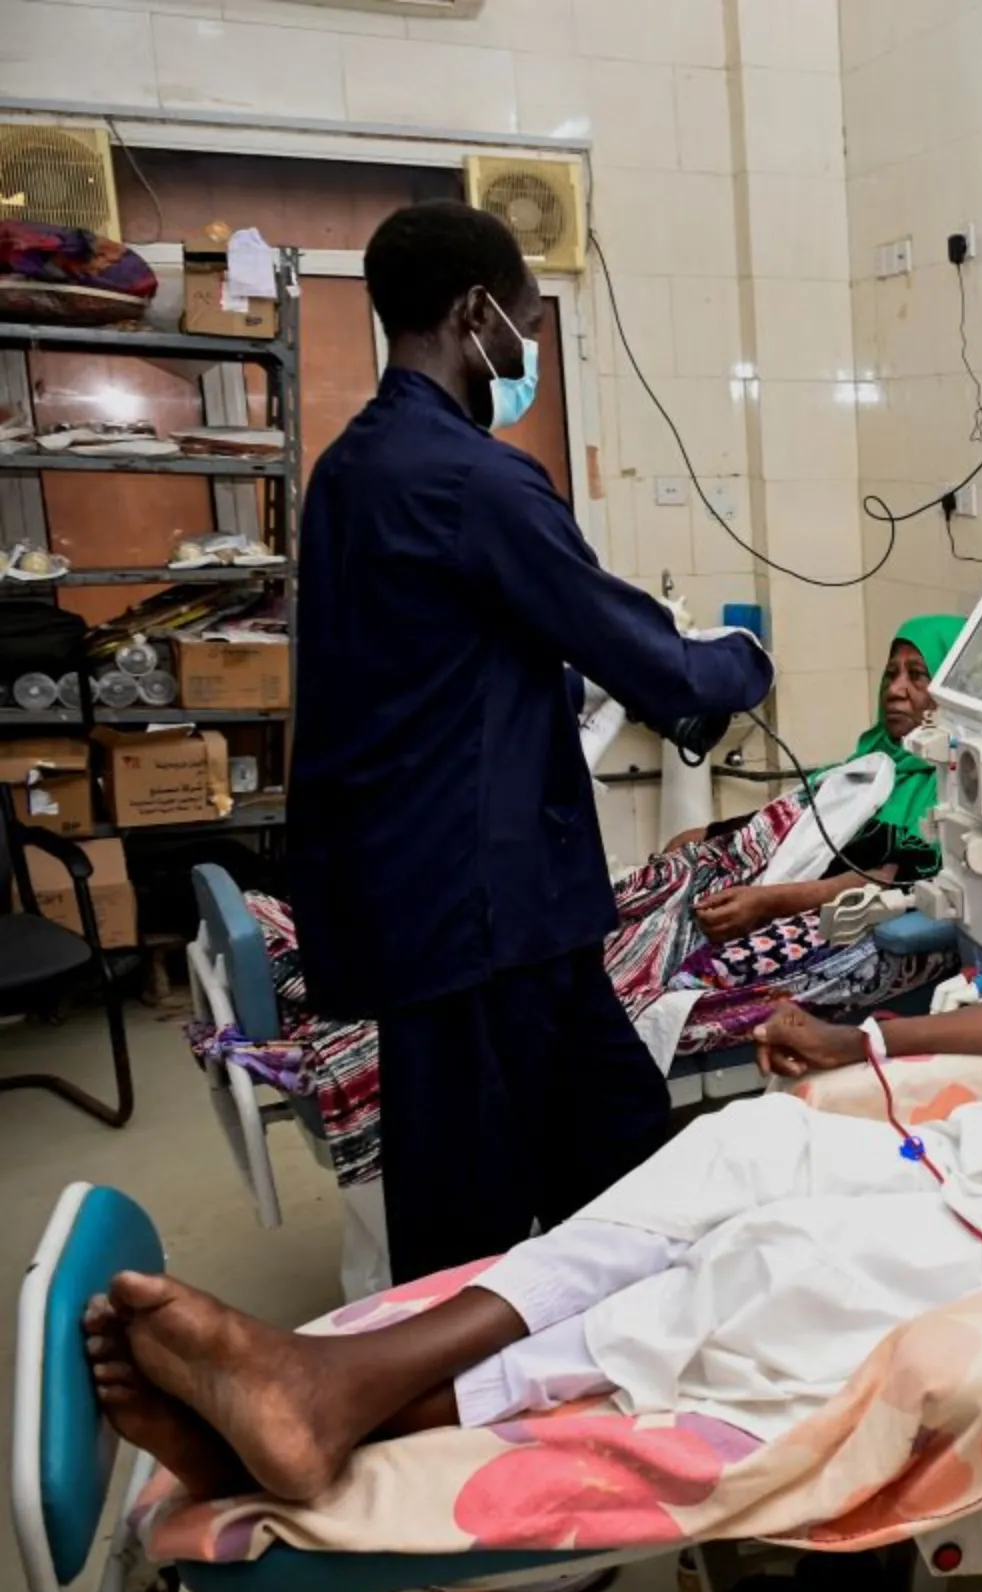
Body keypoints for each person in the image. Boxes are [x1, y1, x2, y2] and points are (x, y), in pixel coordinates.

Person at [90, 654, 982, 1506]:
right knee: (724, 1159)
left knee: (785, 1266)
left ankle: (342, 1406)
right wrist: (868, 1047)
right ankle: (333, 1376)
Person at [290, 201, 775, 1285]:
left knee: (608, 1139)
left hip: (435, 901)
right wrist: (744, 659)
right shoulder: (478, 480)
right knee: (476, 1210)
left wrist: (536, 687)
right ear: (474, 315)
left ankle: (603, 1350)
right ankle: (451, 1421)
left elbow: (411, 659)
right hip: (480, 911)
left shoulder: (351, 470)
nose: (528, 355)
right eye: (524, 324)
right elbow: (648, 657)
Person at [677, 615, 966, 944]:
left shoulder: (945, 787)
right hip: (773, 889)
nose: (895, 690)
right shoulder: (870, 763)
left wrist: (767, 902)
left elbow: (883, 880)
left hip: (841, 921)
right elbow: (791, 822)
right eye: (890, 675)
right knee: (673, 864)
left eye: (916, 675)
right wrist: (708, 836)